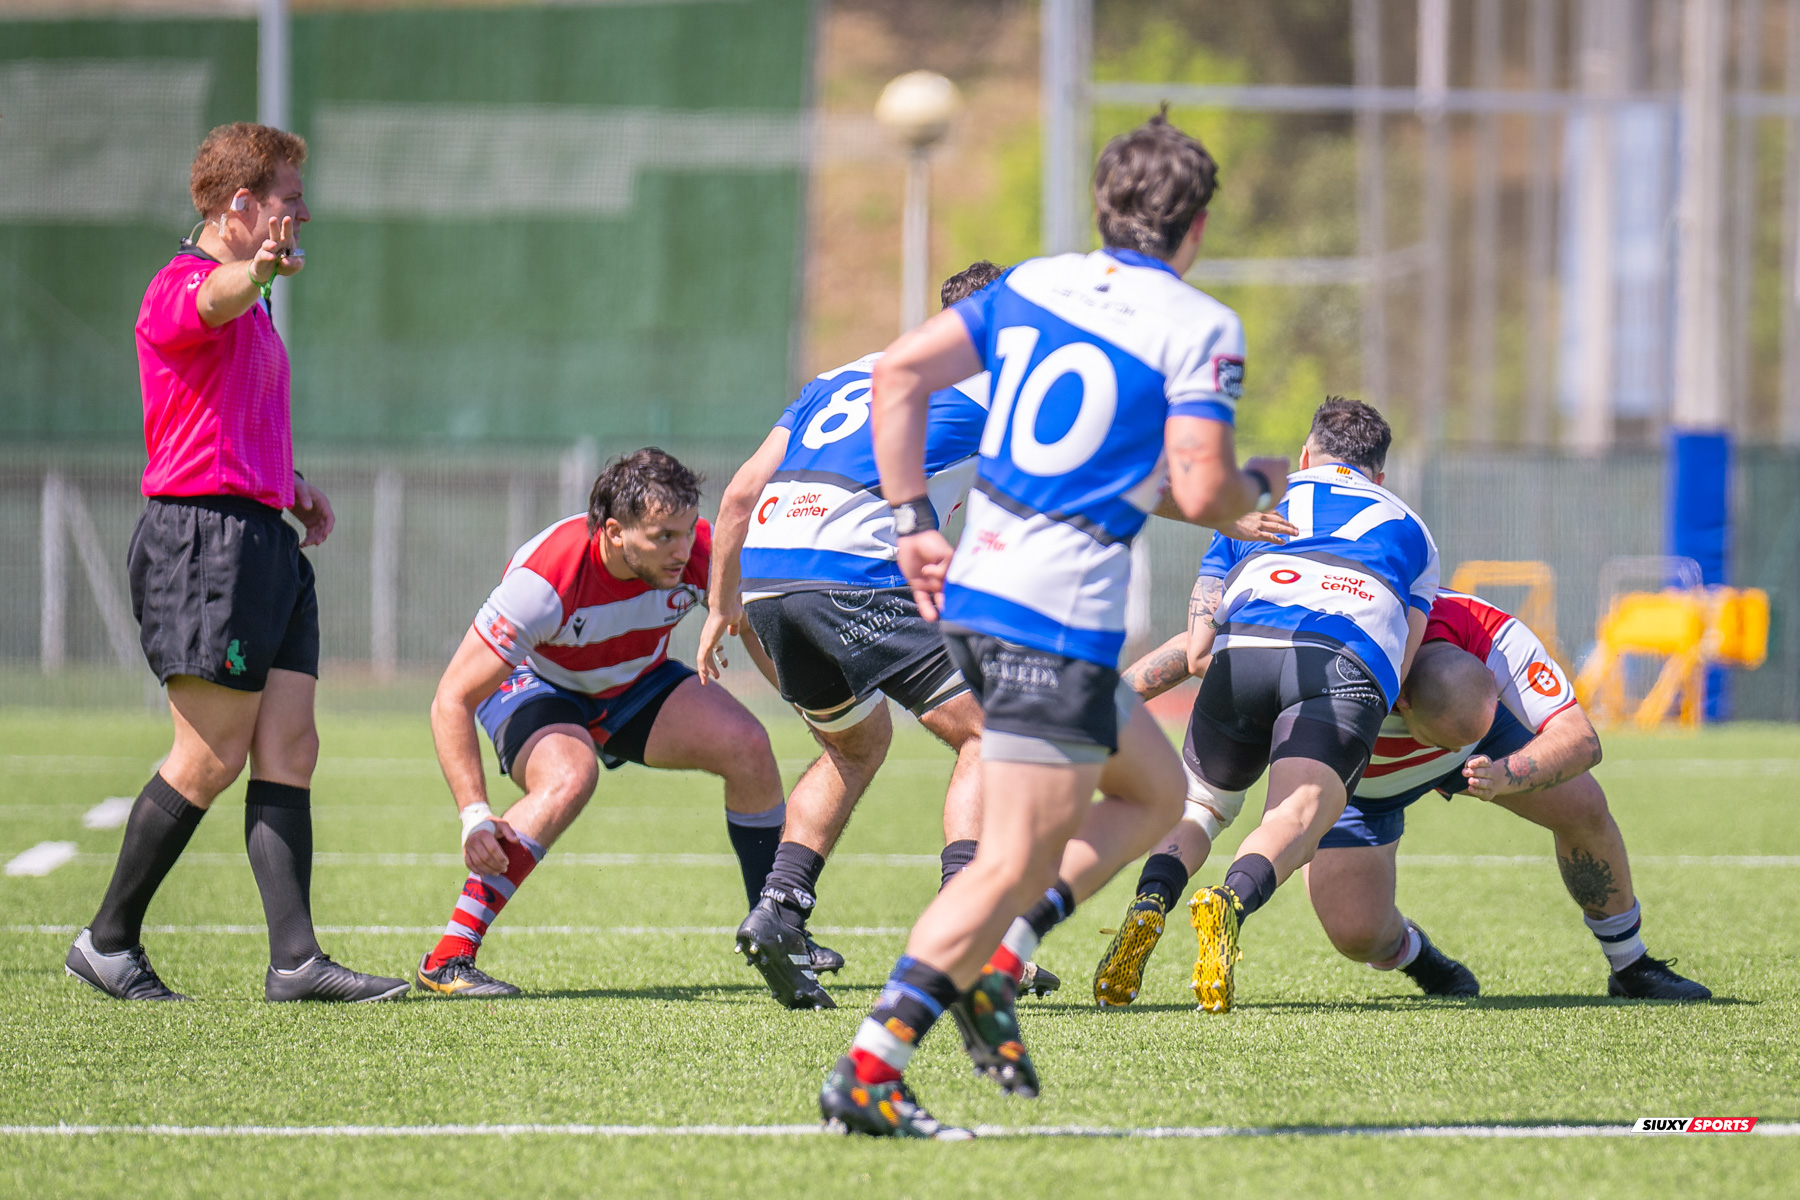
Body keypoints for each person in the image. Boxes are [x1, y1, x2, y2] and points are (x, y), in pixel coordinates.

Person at [817, 110, 1289, 1139]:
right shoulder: (1198, 324)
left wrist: (908, 524)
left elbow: (896, 372)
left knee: (1156, 790)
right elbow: (1205, 482)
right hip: (1054, 615)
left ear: (1102, 207)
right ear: (1197, 225)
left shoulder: (1028, 282)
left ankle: (1000, 958)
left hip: (986, 592)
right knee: (1006, 863)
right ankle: (873, 1065)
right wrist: (1261, 478)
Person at [65, 122, 406, 1003]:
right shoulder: (184, 288)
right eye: (289, 198)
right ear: (242, 206)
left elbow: (218, 413)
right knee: (211, 753)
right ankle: (108, 941)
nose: (303, 211)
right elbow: (211, 301)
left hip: (261, 538)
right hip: (202, 542)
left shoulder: (248, 304)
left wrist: (289, 485)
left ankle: (295, 961)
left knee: (291, 743)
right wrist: (256, 271)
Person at [701, 261, 1068, 1011]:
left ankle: (780, 906)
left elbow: (739, 493)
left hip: (771, 580)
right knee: (990, 733)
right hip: (855, 568)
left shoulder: (836, 377)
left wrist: (722, 603)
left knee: (853, 745)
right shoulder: (1000, 389)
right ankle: (969, 937)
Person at [1101, 587, 1712, 1002]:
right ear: (1404, 703)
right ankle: (1417, 955)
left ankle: (1630, 963)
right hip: (1357, 770)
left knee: (1583, 806)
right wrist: (1109, 702)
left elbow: (1582, 738)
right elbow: (1196, 649)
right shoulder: (1352, 630)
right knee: (1357, 934)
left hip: (1484, 752)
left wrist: (1512, 769)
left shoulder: (1488, 631)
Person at [413, 449, 789, 998]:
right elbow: (451, 697)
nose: (682, 551)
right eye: (663, 537)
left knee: (750, 746)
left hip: (633, 683)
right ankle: (449, 958)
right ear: (614, 532)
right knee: (569, 774)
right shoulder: (546, 580)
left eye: (687, 532)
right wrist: (474, 816)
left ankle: (778, 933)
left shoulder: (704, 550)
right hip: (537, 681)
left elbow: (749, 627)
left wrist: (816, 710)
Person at [1107, 397, 1439, 1015]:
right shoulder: (1414, 530)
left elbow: (1200, 645)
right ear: (1381, 476)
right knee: (1295, 815)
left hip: (1244, 650)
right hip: (1342, 657)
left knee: (1202, 804)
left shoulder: (1254, 509)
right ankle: (1228, 903)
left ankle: (1149, 904)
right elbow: (1404, 657)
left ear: (1307, 454)